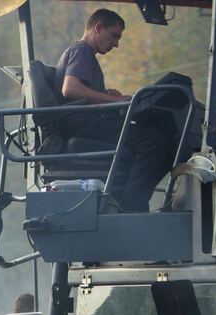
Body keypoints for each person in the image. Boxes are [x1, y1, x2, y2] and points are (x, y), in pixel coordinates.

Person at [53, 8, 177, 212]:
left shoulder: (84, 54)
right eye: (114, 36)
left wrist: (104, 94)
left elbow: (83, 93)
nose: (116, 43)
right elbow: (70, 88)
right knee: (154, 140)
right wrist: (113, 99)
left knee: (161, 140)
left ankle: (127, 200)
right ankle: (131, 206)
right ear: (98, 27)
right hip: (82, 124)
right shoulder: (81, 50)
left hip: (86, 122)